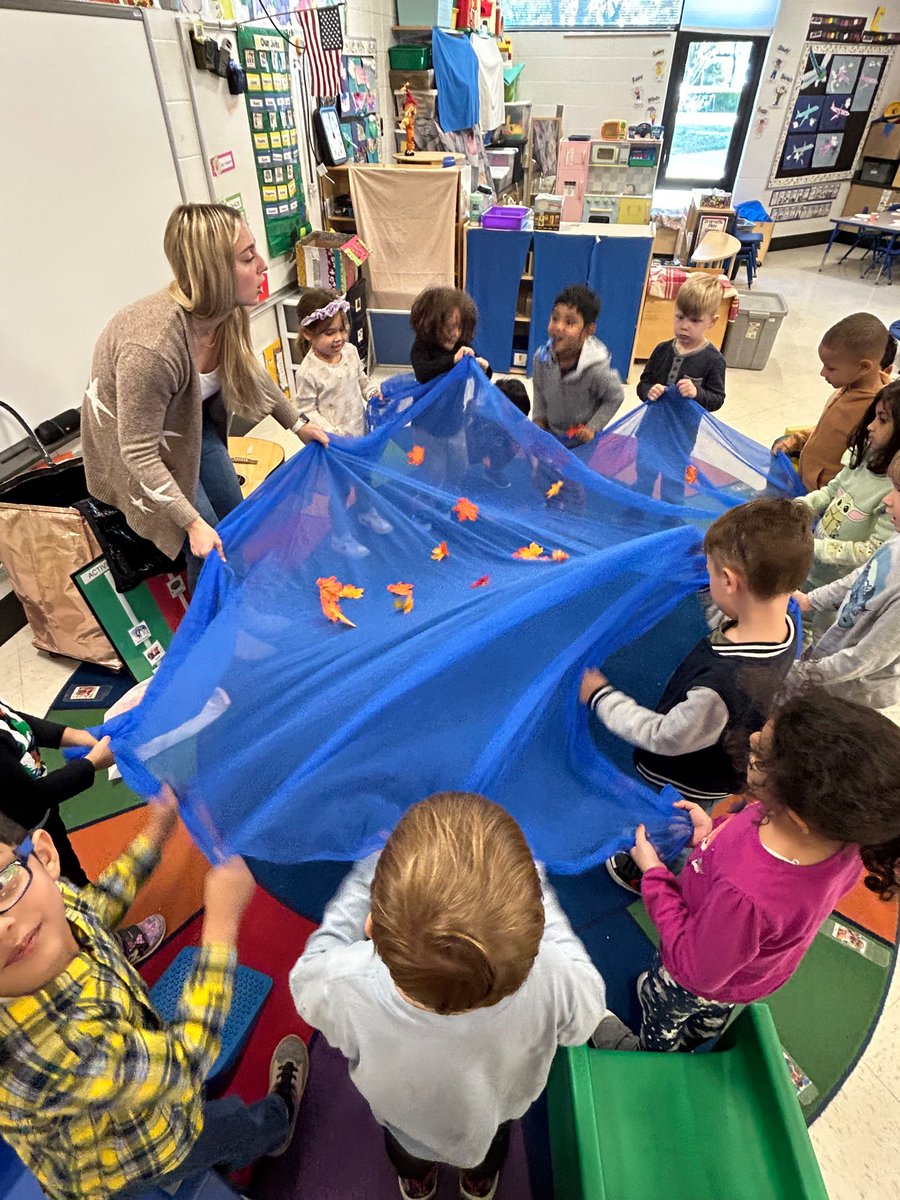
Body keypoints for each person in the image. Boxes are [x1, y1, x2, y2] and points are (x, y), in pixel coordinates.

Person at [289, 792, 605, 1200]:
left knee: (408, 1153)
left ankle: (418, 1183)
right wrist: (539, 894)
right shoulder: (553, 976)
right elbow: (589, 1011)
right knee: (489, 1150)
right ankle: (478, 1181)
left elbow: (306, 981)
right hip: (495, 1114)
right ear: (535, 928)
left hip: (405, 1122)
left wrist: (368, 872)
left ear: (371, 925)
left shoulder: (347, 981)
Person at [0, 788, 308, 1200]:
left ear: (45, 857)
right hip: (130, 1158)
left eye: (2, 881)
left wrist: (154, 836)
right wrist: (220, 927)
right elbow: (185, 1064)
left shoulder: (41, 906)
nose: (3, 927)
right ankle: (277, 1123)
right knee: (227, 1128)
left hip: (120, 1095)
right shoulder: (40, 1051)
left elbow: (89, 908)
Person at [592, 692, 900, 1053]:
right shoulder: (837, 835)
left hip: (694, 975)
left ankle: (646, 1050)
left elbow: (694, 968)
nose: (752, 739)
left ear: (796, 814)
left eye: (759, 757)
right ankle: (703, 1026)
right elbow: (748, 829)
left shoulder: (748, 896)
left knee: (669, 1005)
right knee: (713, 1002)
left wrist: (654, 875)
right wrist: (711, 834)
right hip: (744, 970)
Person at [82, 203, 328, 592]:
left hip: (188, 425)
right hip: (138, 445)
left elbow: (248, 371)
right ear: (212, 271)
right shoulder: (152, 349)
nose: (263, 265)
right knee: (205, 545)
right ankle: (210, 632)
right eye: (248, 257)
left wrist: (297, 423)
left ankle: (241, 598)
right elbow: (138, 452)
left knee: (236, 519)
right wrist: (192, 523)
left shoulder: (227, 313)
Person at [579, 497, 814, 891]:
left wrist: (602, 695)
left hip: (691, 773)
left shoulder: (720, 685)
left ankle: (655, 867)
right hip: (726, 753)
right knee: (690, 815)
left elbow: (664, 736)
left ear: (729, 580)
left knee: (674, 818)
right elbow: (730, 609)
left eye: (710, 573)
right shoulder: (785, 621)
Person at [0, 696, 164, 966]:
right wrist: (90, 763)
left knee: (68, 873)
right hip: (20, 842)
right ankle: (98, 950)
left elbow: (16, 722)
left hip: (39, 823)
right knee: (50, 893)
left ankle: (93, 929)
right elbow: (31, 798)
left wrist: (75, 736)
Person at [783, 450, 900, 710]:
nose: (888, 500)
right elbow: (863, 575)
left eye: (899, 492)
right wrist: (809, 600)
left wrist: (799, 673)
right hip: (829, 661)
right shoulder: (897, 540)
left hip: (854, 693)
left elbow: (864, 659)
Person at [294, 287, 392, 557]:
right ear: (308, 334)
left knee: (364, 478)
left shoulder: (349, 352)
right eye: (328, 333)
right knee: (338, 490)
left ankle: (364, 513)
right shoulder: (309, 371)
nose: (338, 338)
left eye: (342, 329)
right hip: (334, 445)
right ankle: (340, 535)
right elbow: (304, 409)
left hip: (359, 434)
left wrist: (373, 393)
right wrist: (332, 433)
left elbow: (361, 380)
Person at [797, 380, 900, 593]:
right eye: (874, 416)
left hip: (836, 587)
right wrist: (799, 507)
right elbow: (833, 491)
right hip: (811, 564)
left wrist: (813, 548)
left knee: (815, 623)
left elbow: (871, 551)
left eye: (882, 420)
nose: (870, 426)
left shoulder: (893, 495)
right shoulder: (863, 455)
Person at [771, 312, 890, 491]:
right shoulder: (848, 385)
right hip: (806, 475)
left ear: (864, 367)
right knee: (780, 442)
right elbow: (827, 430)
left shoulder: (875, 410)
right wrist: (796, 440)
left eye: (831, 368)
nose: (823, 373)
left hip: (823, 491)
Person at [634, 273, 726, 503]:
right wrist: (649, 391)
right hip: (651, 430)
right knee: (644, 473)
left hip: (681, 436)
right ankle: (636, 507)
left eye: (695, 321)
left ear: (711, 322)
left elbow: (717, 399)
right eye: (680, 317)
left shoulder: (713, 360)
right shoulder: (662, 350)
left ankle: (670, 516)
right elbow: (643, 383)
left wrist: (697, 393)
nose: (684, 326)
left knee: (673, 481)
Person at [532, 284, 624, 444]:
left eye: (570, 323)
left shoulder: (596, 370)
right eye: (555, 318)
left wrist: (592, 428)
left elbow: (615, 396)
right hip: (550, 435)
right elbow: (539, 390)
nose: (558, 327)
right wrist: (539, 418)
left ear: (588, 330)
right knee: (544, 468)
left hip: (579, 443)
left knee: (571, 469)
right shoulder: (541, 358)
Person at [409, 286, 491, 385]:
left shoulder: (461, 345)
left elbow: (482, 378)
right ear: (430, 325)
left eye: (460, 327)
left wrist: (485, 369)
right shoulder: (422, 345)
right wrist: (454, 360)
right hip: (429, 398)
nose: (455, 333)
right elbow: (423, 373)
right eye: (449, 327)